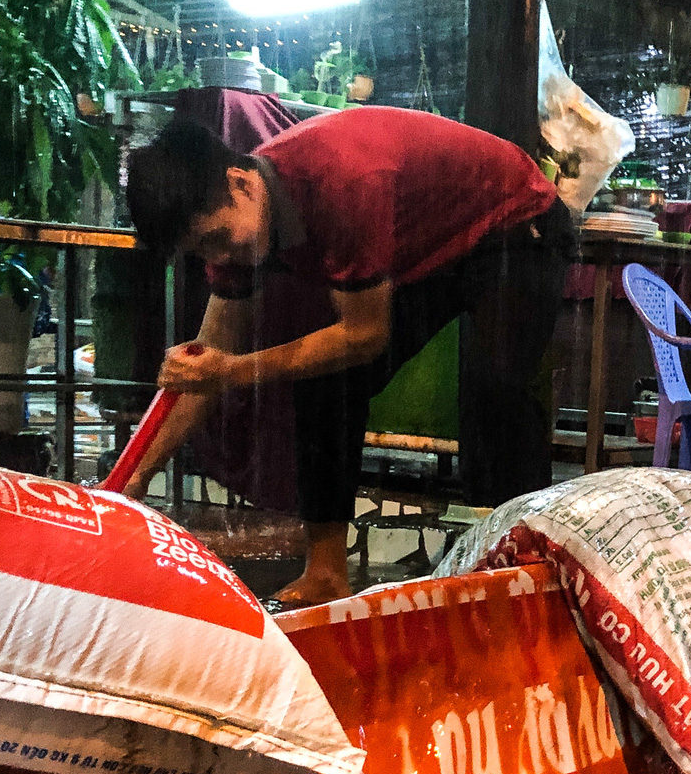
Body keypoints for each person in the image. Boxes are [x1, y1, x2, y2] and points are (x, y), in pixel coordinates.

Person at [121, 109, 576, 607]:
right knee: (323, 382)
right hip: (438, 242)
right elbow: (204, 369)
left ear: (241, 184)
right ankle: (325, 574)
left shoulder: (341, 180)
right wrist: (132, 480)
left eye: (216, 240)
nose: (219, 259)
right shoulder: (239, 230)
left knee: (496, 391)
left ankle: (533, 577)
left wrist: (232, 372)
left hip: (517, 221)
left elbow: (364, 335)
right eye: (202, 251)